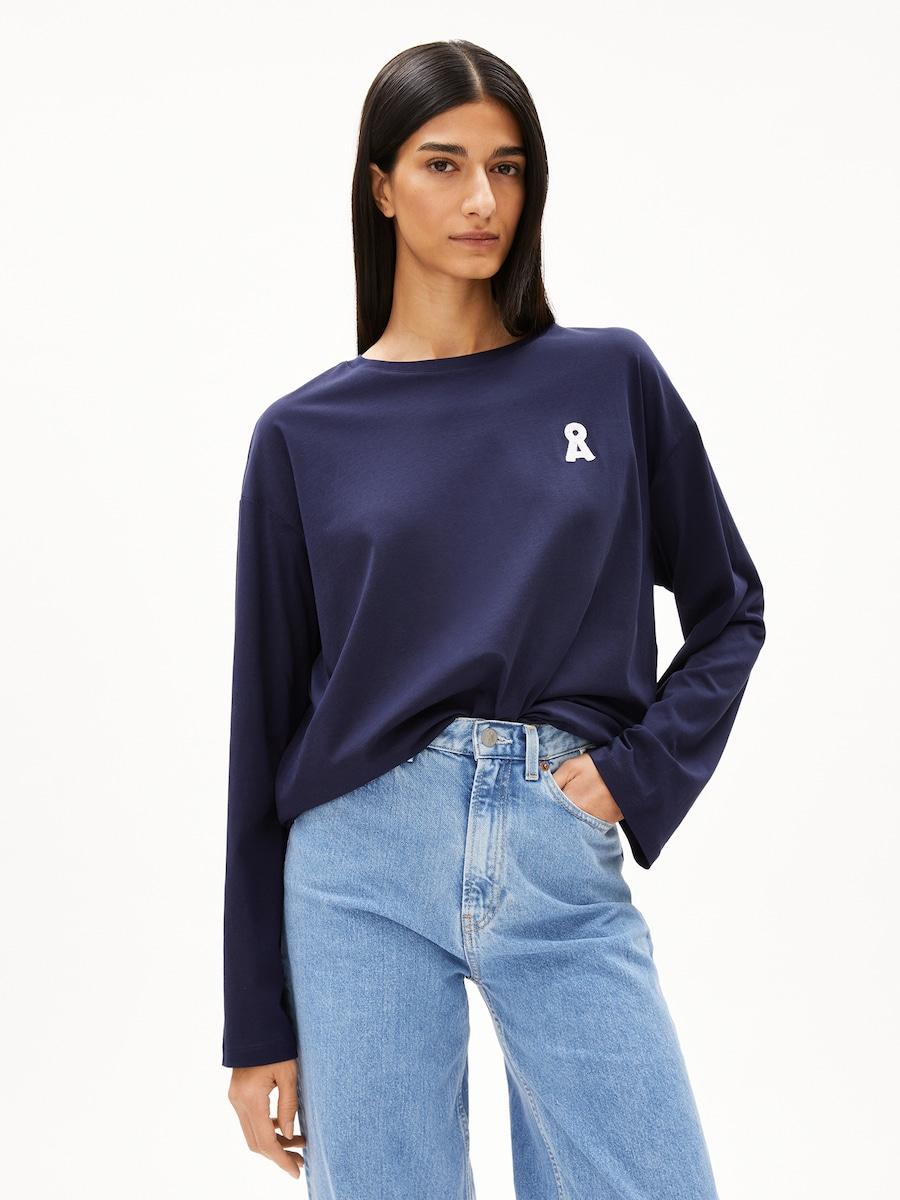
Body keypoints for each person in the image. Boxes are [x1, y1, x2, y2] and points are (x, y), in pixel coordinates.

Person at [223, 39, 766, 1200]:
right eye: (445, 164)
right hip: (356, 868)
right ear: (381, 186)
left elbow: (730, 609)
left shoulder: (609, 380)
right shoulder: (303, 436)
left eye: (508, 168)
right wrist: (254, 1023)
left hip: (554, 842)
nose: (483, 199)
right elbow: (261, 734)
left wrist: (635, 773)